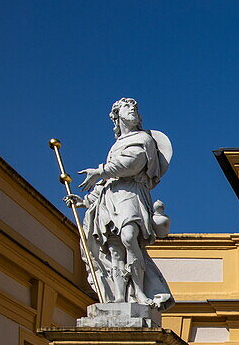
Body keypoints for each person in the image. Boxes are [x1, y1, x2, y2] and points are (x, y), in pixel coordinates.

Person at [71, 98, 173, 309]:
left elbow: (132, 164)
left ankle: (139, 291)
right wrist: (85, 201)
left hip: (132, 194)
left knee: (129, 237)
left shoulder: (143, 139)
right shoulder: (116, 145)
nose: (133, 110)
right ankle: (119, 297)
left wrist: (100, 171)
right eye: (128, 107)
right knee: (115, 249)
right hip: (110, 198)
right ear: (117, 116)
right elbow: (108, 181)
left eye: (135, 108)